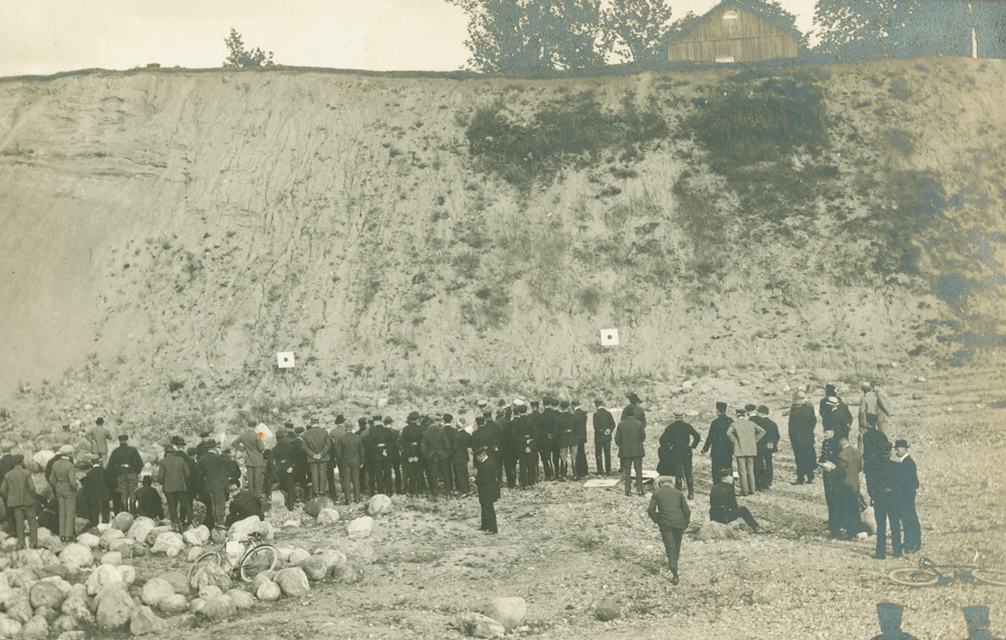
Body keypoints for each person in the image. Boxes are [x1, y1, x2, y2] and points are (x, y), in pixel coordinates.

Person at [647, 475, 690, 585]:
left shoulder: (657, 494)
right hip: (679, 522)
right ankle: (674, 561)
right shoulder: (679, 493)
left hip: (665, 523)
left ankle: (674, 569)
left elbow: (650, 510)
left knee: (669, 544)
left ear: (660, 485)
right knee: (677, 543)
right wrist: (685, 523)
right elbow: (687, 511)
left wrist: (658, 519)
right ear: (671, 484)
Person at [658, 412, 701, 499]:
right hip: (687, 452)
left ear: (674, 417)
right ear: (683, 417)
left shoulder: (670, 427)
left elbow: (662, 440)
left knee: (678, 474)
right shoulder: (687, 426)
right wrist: (692, 446)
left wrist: (669, 447)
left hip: (676, 452)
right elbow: (697, 436)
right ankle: (691, 493)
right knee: (688, 473)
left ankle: (679, 494)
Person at [0, 454, 38, 549]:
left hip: (16, 503)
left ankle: (21, 543)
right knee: (32, 522)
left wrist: (10, 497)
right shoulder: (27, 473)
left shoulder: (8, 475)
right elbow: (32, 488)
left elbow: (2, 490)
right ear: (22, 462)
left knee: (19, 522)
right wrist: (32, 496)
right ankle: (34, 543)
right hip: (28, 501)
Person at [872, 441, 902, 559]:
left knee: (881, 526)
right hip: (893, 497)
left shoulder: (875, 467)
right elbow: (900, 484)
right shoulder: (896, 466)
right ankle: (897, 551)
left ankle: (881, 553)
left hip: (880, 497)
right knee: (895, 525)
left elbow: (871, 484)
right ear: (890, 452)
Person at [727, 406, 765, 496]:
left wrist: (735, 441)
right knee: (750, 470)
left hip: (740, 449)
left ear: (737, 414)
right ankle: (752, 489)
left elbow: (728, 433)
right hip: (751, 449)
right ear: (745, 414)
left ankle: (745, 490)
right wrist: (754, 441)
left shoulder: (734, 424)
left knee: (742, 471)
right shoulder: (751, 423)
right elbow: (762, 431)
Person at [834, 431, 865, 539]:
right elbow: (860, 469)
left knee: (846, 509)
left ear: (841, 442)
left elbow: (840, 472)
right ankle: (857, 530)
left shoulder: (842, 455)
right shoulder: (857, 452)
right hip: (855, 485)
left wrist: (832, 469)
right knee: (855, 509)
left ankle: (849, 532)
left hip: (844, 486)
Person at [195, 441, 230, 530]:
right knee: (220, 504)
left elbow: (198, 470)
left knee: (213, 504)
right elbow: (228, 463)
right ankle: (220, 523)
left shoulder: (202, 458)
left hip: (209, 484)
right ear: (215, 448)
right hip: (219, 484)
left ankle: (215, 522)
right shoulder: (219, 458)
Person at [894, 439, 921, 553]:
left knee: (910, 519)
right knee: (905, 520)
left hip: (907, 496)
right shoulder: (903, 462)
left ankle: (914, 543)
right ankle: (908, 542)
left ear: (905, 449)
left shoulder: (908, 463)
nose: (896, 450)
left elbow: (914, 482)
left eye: (898, 448)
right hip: (903, 496)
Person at [159, 440, 192, 531]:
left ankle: (176, 525)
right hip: (181, 486)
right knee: (186, 505)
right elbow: (187, 473)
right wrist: (182, 480)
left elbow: (160, 477)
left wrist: (162, 482)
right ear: (174, 452)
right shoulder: (180, 459)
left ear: (166, 452)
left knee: (172, 507)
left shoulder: (163, 462)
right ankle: (190, 523)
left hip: (169, 488)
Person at [107, 435, 143, 514]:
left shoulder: (116, 451)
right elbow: (140, 463)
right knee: (132, 492)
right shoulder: (133, 450)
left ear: (119, 441)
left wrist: (116, 473)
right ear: (127, 440)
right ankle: (133, 512)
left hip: (120, 473)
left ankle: (125, 512)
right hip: (131, 472)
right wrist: (136, 471)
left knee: (123, 493)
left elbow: (110, 466)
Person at [49, 445, 79, 541]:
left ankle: (61, 534)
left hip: (59, 489)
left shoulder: (55, 464)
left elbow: (51, 479)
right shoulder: (70, 465)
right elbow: (72, 482)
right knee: (70, 512)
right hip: (69, 490)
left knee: (62, 512)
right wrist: (76, 487)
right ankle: (68, 535)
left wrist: (57, 486)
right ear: (69, 454)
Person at [614, 406, 646, 497]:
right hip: (637, 451)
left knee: (627, 471)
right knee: (638, 470)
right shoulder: (639, 424)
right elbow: (643, 437)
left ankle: (628, 490)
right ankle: (640, 490)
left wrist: (622, 446)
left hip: (625, 451)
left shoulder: (621, 424)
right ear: (634, 413)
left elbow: (617, 439)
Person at [231, 423, 266, 502]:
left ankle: (251, 496)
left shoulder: (243, 435)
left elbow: (234, 443)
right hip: (258, 460)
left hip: (249, 459)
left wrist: (243, 449)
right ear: (255, 426)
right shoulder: (258, 435)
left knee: (250, 479)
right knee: (258, 479)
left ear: (248, 426)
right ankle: (258, 496)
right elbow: (261, 448)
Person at [817, 427, 843, 537]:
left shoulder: (837, 444)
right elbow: (824, 455)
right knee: (829, 496)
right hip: (826, 472)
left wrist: (831, 464)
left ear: (833, 432)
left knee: (834, 498)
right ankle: (831, 519)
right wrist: (821, 462)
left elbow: (839, 458)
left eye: (826, 432)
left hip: (833, 472)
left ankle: (835, 522)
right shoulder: (825, 442)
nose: (824, 434)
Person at [788, 396, 817, 484]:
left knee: (799, 459)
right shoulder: (808, 412)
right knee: (808, 457)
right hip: (808, 438)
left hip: (797, 440)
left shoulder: (793, 414)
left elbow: (791, 429)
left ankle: (800, 479)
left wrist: (792, 439)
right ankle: (810, 477)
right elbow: (813, 423)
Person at [421, 413, 451, 499]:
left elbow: (423, 448)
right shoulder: (441, 430)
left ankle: (435, 495)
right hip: (442, 455)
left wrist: (428, 455)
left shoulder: (425, 432)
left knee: (433, 476)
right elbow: (447, 444)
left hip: (432, 456)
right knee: (446, 475)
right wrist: (446, 454)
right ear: (435, 421)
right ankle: (448, 494)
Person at [702, 402, 734, 483]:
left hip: (717, 450)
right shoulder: (730, 421)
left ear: (717, 411)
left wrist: (705, 449)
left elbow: (710, 437)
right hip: (728, 450)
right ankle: (730, 486)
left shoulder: (715, 422)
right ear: (725, 410)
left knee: (716, 470)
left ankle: (717, 486)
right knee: (728, 469)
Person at [302, 419, 333, 499]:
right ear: (318, 422)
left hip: (312, 458)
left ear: (311, 423)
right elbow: (328, 445)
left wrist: (313, 455)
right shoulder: (324, 432)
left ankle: (316, 493)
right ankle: (322, 492)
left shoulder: (306, 434)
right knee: (323, 474)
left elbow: (304, 447)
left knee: (314, 474)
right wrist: (321, 454)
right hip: (323, 457)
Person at [751, 405, 780, 491]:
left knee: (759, 463)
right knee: (769, 463)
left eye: (758, 413)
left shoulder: (758, 423)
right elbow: (777, 436)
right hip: (769, 447)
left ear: (761, 413)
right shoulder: (773, 424)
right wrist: (772, 443)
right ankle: (769, 480)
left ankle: (761, 480)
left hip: (759, 447)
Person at [79, 457, 112, 528]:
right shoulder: (105, 471)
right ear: (99, 462)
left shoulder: (89, 473)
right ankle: (105, 523)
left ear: (92, 463)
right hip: (105, 493)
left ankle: (95, 524)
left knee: (94, 510)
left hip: (94, 495)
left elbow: (86, 485)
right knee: (105, 508)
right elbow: (110, 482)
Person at [336, 424, 365, 504]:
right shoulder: (358, 437)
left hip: (345, 462)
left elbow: (338, 452)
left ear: (345, 429)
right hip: (356, 461)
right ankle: (357, 498)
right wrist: (361, 461)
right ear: (352, 428)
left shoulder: (341, 439)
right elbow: (361, 451)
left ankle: (348, 499)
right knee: (356, 479)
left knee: (346, 480)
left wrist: (341, 460)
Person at [474, 449, 500, 534]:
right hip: (488, 490)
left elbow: (484, 480)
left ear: (482, 455)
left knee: (488, 508)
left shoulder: (487, 464)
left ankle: (493, 529)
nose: (476, 459)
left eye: (477, 457)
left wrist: (475, 480)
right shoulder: (488, 462)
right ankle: (485, 526)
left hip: (488, 490)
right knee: (484, 507)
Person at [448, 414, 472, 496]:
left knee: (459, 474)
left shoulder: (456, 436)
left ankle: (463, 490)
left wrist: (450, 449)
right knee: (465, 473)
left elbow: (455, 447)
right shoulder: (467, 435)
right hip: (465, 456)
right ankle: (467, 489)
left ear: (457, 425)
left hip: (457, 457)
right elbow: (469, 445)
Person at [592, 398, 615, 476]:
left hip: (599, 437)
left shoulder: (596, 414)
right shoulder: (608, 413)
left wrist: (602, 431)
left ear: (596, 405)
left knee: (598, 453)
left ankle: (600, 469)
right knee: (607, 453)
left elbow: (596, 426)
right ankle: (608, 470)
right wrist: (609, 430)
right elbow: (613, 424)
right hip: (607, 437)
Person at [555, 400, 576, 481]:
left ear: (560, 407)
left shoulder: (558, 418)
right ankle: (575, 474)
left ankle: (563, 475)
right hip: (572, 437)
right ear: (568, 407)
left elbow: (556, 431)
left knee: (563, 457)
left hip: (563, 437)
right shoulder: (573, 416)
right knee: (574, 456)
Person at [572, 400, 589, 479]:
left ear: (572, 405)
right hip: (583, 436)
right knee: (582, 452)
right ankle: (584, 469)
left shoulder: (574, 415)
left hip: (576, 436)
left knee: (578, 454)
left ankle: (580, 470)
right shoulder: (583, 414)